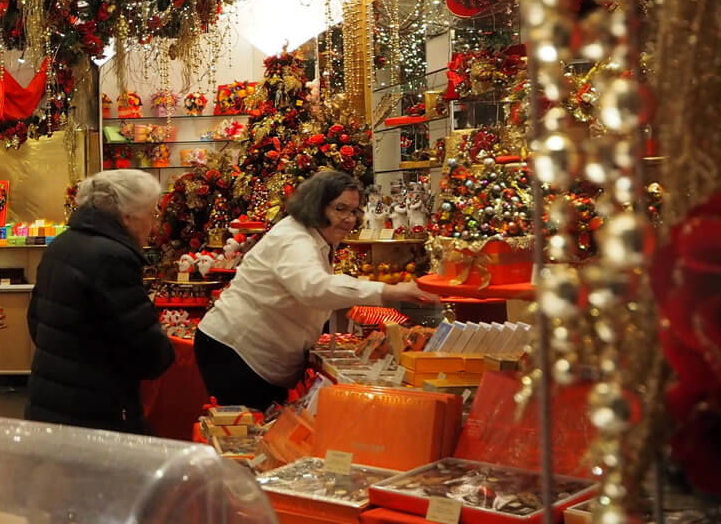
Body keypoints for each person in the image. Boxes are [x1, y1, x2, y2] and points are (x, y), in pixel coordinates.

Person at [195, 169, 436, 407]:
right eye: (340, 209)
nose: (350, 219)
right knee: (249, 431)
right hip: (238, 350)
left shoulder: (314, 236)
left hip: (255, 354)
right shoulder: (295, 239)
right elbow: (314, 288)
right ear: (315, 205)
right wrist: (390, 291)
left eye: (354, 211)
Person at [26, 169, 174, 433]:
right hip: (96, 410)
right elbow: (148, 352)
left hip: (50, 401)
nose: (153, 226)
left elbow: (36, 322)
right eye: (151, 214)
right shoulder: (113, 258)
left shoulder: (62, 244)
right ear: (128, 216)